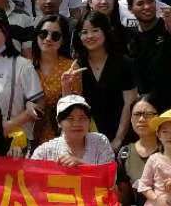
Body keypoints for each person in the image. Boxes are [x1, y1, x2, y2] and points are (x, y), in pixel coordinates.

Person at [62, 11, 136, 151]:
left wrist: (118, 139)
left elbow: (129, 103)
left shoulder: (123, 63)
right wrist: (65, 86)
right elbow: (70, 106)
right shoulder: (76, 66)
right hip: (88, 138)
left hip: (122, 135)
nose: (89, 36)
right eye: (84, 32)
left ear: (105, 32)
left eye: (95, 30)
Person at [123, 0, 171, 115]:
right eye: (140, 3)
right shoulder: (128, 37)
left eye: (150, 1)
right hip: (145, 109)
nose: (147, 7)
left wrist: (170, 20)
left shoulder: (170, 27)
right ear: (130, 9)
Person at [28, 13, 75, 146]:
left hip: (61, 135)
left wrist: (66, 88)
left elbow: (75, 107)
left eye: (55, 36)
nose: (48, 39)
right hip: (30, 135)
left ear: (63, 40)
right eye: (43, 34)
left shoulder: (71, 67)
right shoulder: (26, 66)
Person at [30, 95, 114, 166]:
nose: (77, 123)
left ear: (89, 121)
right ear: (59, 122)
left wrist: (81, 165)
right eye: (70, 118)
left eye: (82, 118)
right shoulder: (45, 152)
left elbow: (109, 176)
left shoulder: (100, 142)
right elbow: (31, 174)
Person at [116, 97, 161, 206]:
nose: (141, 119)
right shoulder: (125, 154)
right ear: (131, 119)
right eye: (137, 114)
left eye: (148, 114)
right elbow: (126, 199)